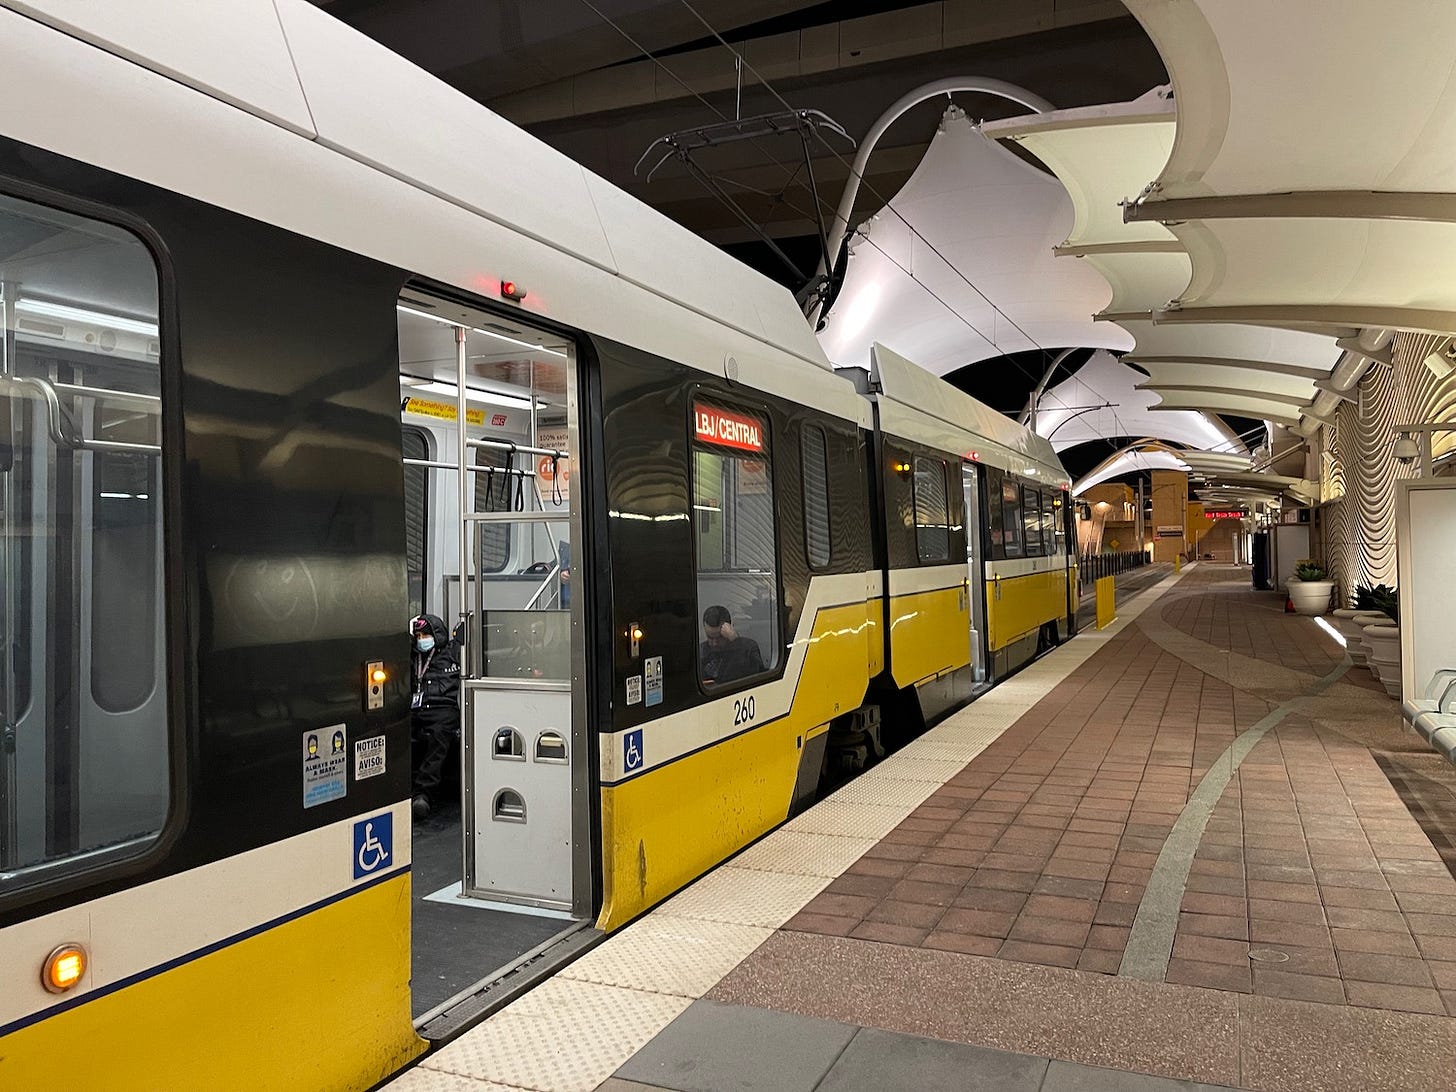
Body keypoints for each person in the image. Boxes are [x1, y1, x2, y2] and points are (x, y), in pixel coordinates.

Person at [409, 613, 461, 819]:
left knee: (439, 736)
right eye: (418, 636)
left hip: (444, 708)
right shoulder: (414, 656)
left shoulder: (451, 653)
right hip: (417, 708)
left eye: (426, 635)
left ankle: (423, 793)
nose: (422, 640)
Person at [699, 605, 765, 685]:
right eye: (710, 637)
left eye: (720, 637)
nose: (715, 643)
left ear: (729, 629)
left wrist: (735, 641)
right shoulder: (702, 651)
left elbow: (754, 678)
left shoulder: (749, 648)